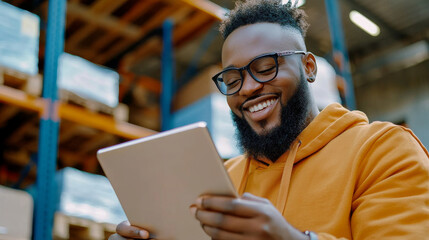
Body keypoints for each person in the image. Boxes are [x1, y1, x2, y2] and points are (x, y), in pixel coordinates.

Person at [110, 0, 429, 239]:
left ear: (308, 68)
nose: (248, 88)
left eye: (266, 68)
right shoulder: (223, 179)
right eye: (233, 79)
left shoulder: (383, 151)